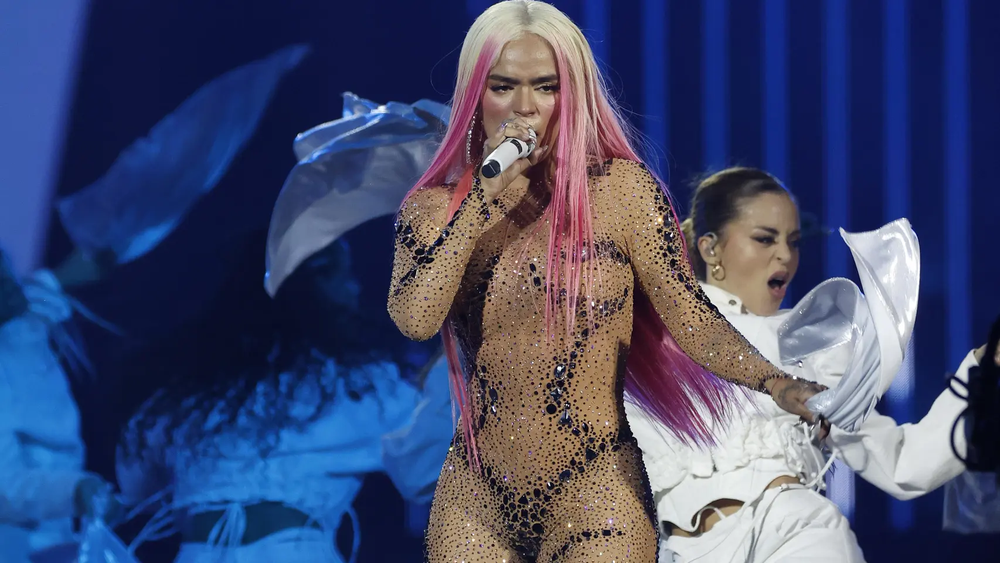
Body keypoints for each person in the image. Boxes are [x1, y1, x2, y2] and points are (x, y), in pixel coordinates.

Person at [386, 2, 822, 561]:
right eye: (503, 87)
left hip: (595, 493)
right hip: (476, 500)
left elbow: (688, 314)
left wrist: (773, 382)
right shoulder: (434, 209)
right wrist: (479, 199)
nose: (525, 108)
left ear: (572, 96)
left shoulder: (623, 194)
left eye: (546, 88)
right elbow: (415, 319)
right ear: (475, 95)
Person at [627, 167, 982, 562]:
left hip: (797, 538)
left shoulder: (811, 344)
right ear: (711, 249)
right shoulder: (645, 339)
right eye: (765, 239)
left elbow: (902, 463)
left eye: (793, 242)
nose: (784, 255)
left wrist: (984, 370)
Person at [116, 235, 451, 563]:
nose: (354, 288)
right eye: (338, 273)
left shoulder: (361, 387)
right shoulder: (356, 387)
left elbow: (136, 482)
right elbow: (422, 467)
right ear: (308, 286)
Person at [0, 247, 121, 562]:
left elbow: (101, 251)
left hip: (54, 538)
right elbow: (6, 485)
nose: (8, 282)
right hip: (19, 545)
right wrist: (75, 490)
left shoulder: (27, 326)